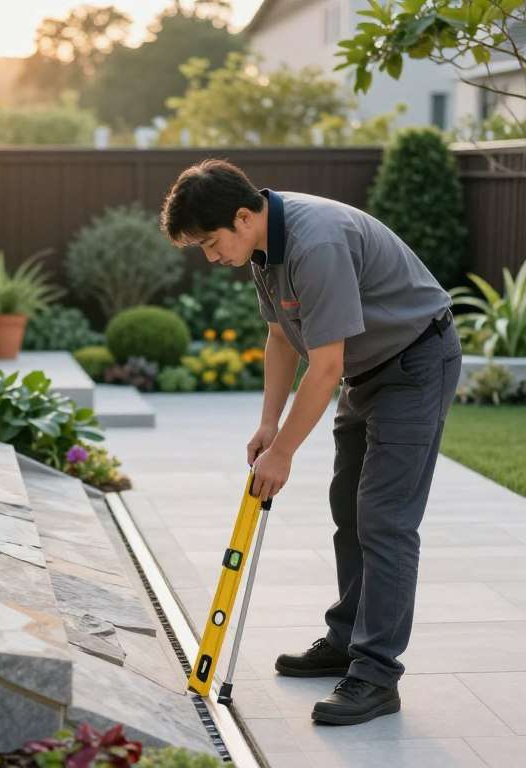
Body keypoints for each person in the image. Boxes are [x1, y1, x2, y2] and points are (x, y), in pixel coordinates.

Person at [159, 159, 462, 726]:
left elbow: (324, 368)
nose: (211, 257)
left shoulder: (314, 242)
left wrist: (283, 455)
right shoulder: (263, 248)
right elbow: (280, 338)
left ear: (242, 216)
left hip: (415, 362)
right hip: (367, 371)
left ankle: (376, 675)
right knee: (348, 507)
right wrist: (269, 424)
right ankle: (347, 641)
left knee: (385, 518)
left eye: (210, 243)